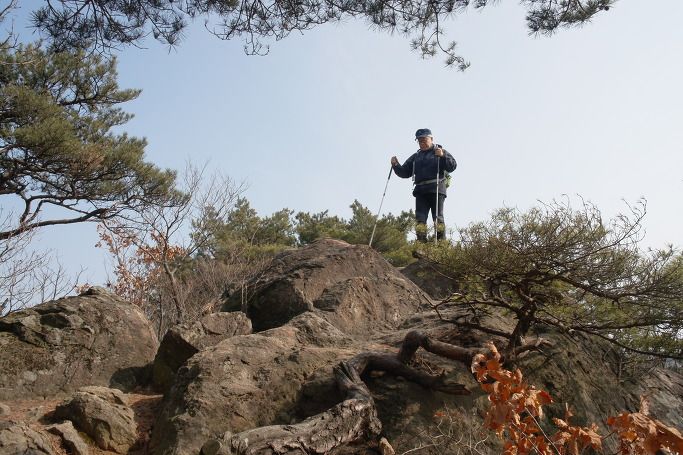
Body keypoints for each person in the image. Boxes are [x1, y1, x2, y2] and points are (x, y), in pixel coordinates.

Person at [391, 128, 457, 242]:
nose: (421, 142)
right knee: (420, 219)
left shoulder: (439, 151)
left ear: (431, 139)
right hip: (421, 191)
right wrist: (396, 165)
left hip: (437, 188)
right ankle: (421, 245)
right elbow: (405, 172)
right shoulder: (416, 156)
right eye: (419, 140)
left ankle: (441, 244)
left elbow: (452, 166)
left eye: (424, 139)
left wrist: (443, 156)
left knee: (438, 218)